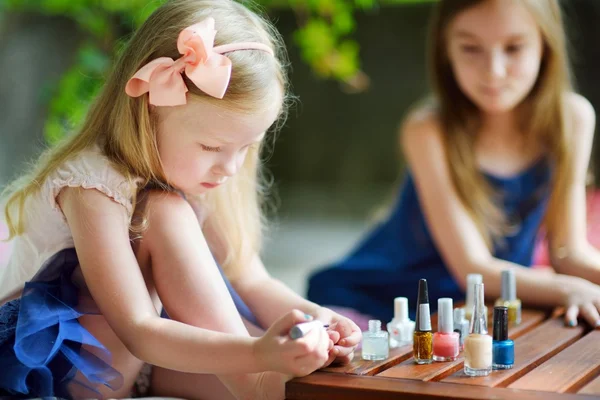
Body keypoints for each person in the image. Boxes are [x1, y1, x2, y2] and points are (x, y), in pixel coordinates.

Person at [0, 1, 360, 398]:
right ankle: (255, 381)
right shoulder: (92, 184)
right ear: (148, 113)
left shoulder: (205, 172)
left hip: (143, 364)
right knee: (165, 214)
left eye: (248, 147)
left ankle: (266, 375)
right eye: (211, 146)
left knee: (299, 371)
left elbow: (251, 280)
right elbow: (138, 329)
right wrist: (257, 354)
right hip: (62, 369)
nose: (230, 167)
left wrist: (320, 320)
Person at [308, 0, 600, 330]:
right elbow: (472, 268)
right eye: (471, 48)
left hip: (475, 312)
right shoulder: (427, 130)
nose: (494, 70)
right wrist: (567, 289)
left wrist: (577, 283)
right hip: (378, 304)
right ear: (446, 51)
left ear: (546, 46)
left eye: (514, 48)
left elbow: (569, 253)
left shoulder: (571, 119)